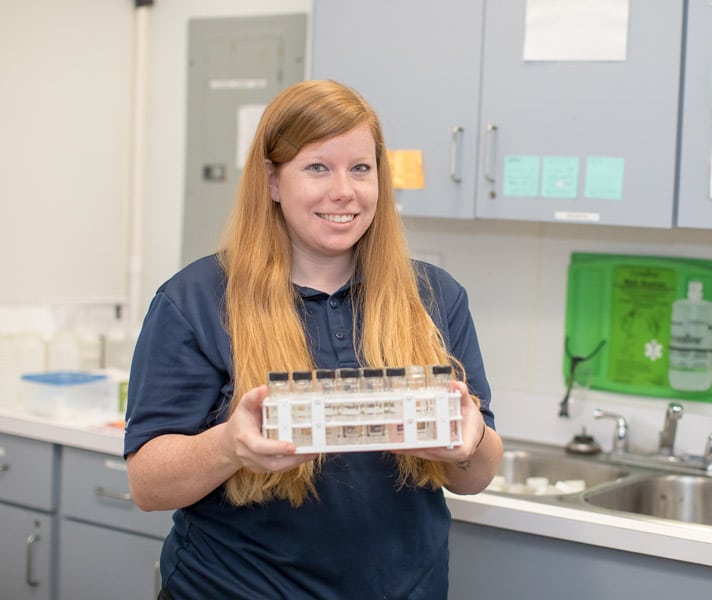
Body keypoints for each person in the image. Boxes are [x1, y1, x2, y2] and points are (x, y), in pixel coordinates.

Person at [124, 79, 503, 599]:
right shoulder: (194, 300)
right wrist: (229, 445)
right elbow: (147, 485)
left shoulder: (434, 297)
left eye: (361, 168)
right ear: (273, 181)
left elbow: (475, 474)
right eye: (318, 167)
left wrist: (471, 443)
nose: (344, 190)